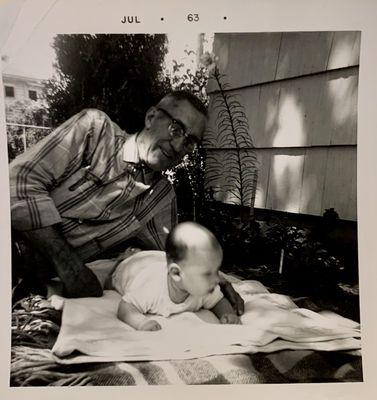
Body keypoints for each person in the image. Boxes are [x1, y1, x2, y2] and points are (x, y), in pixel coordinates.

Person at [9, 90, 244, 315]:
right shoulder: (95, 131)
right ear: (151, 117)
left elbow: (174, 256)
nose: (177, 146)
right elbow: (18, 180)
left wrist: (213, 278)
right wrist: (69, 266)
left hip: (38, 285)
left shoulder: (161, 197)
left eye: (190, 142)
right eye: (176, 129)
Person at [112, 222, 240, 331]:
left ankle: (142, 252)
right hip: (132, 268)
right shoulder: (152, 288)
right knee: (115, 275)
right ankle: (126, 256)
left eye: (216, 270)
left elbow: (218, 301)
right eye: (207, 274)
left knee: (166, 258)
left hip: (158, 259)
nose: (217, 279)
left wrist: (227, 313)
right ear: (176, 274)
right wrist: (141, 322)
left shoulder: (204, 288)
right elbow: (125, 306)